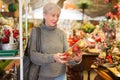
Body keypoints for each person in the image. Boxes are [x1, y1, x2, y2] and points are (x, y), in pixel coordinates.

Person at [29, 2, 82, 80]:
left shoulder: (62, 34)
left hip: (60, 76)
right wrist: (53, 57)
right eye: (53, 15)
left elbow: (67, 57)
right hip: (41, 77)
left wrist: (76, 59)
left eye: (58, 16)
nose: (56, 19)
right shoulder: (35, 32)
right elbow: (33, 56)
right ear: (44, 15)